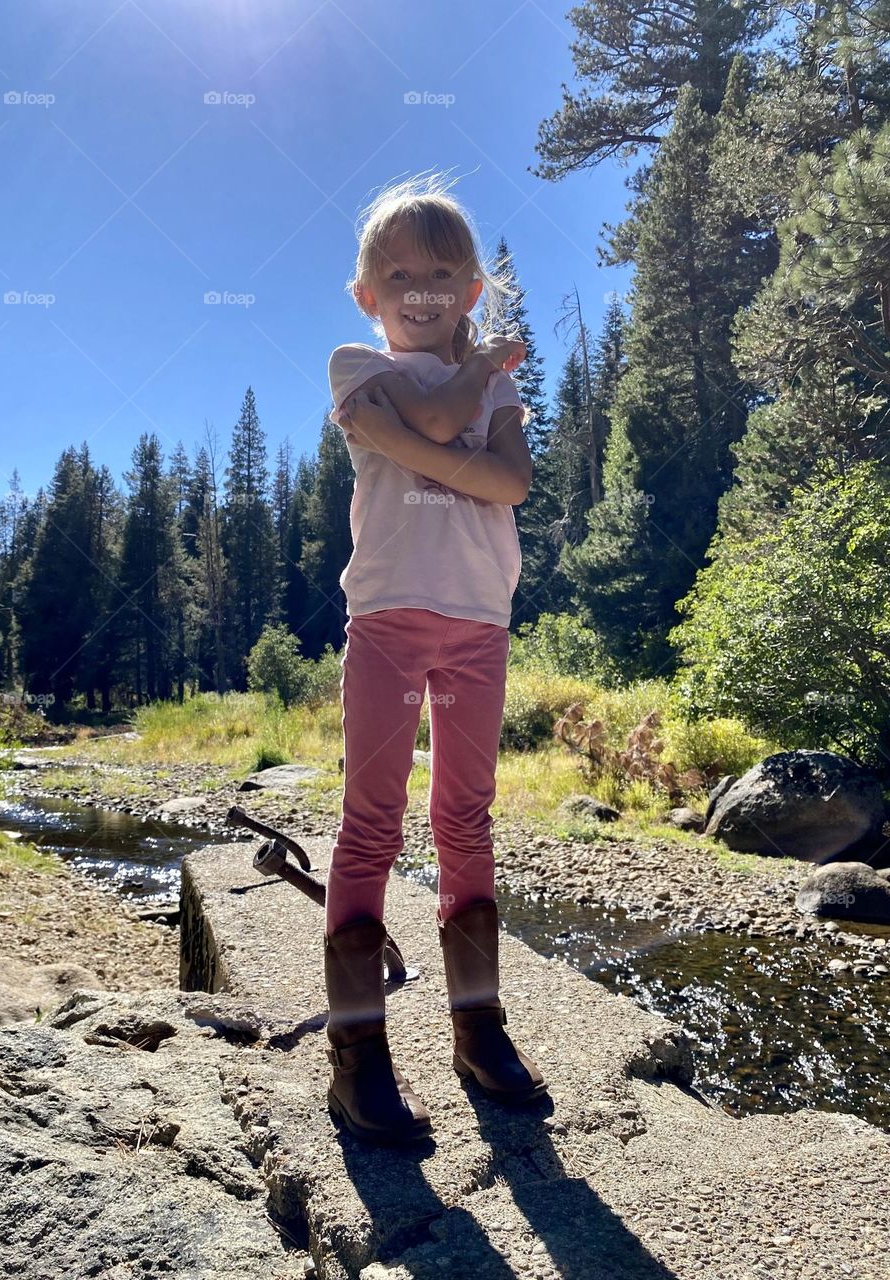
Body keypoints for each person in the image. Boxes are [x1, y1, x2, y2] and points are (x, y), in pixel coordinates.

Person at [323, 171, 548, 1145]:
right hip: (384, 620)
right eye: (398, 273)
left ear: (471, 289)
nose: (420, 287)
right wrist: (457, 444)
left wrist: (416, 443)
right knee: (370, 822)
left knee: (466, 819)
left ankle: (477, 1028)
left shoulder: (498, 384)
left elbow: (516, 479)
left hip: (476, 629)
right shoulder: (352, 366)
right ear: (368, 296)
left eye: (442, 271)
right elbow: (470, 445)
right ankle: (357, 1054)